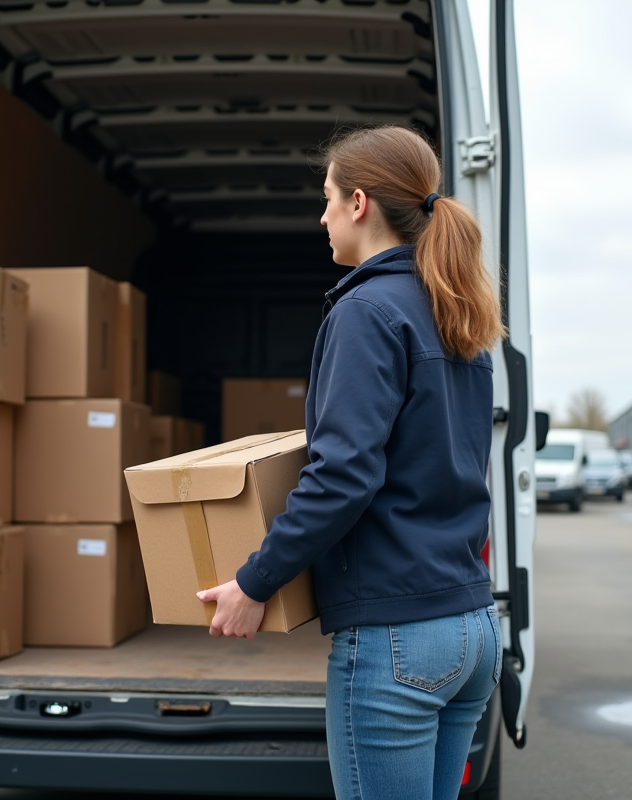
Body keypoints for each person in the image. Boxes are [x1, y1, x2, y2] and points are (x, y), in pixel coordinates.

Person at [196, 125, 506, 800]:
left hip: (398, 639)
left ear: (359, 203)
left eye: (328, 197)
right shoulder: (456, 313)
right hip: (471, 627)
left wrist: (255, 582)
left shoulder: (368, 310)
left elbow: (343, 475)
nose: (322, 215)